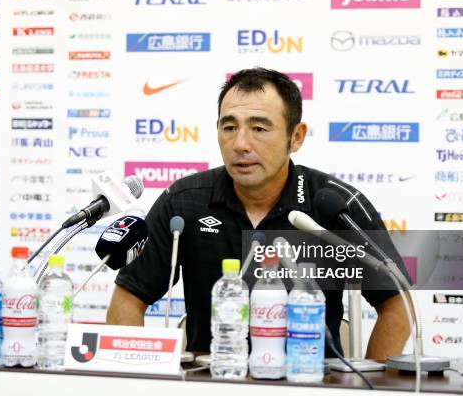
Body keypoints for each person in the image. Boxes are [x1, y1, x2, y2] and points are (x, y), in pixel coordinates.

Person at [107, 67, 410, 359]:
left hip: (309, 383)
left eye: (259, 128)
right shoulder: (184, 202)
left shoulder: (334, 205)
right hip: (213, 383)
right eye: (229, 127)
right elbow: (129, 298)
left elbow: (398, 304)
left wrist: (373, 386)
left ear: (296, 137)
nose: (240, 144)